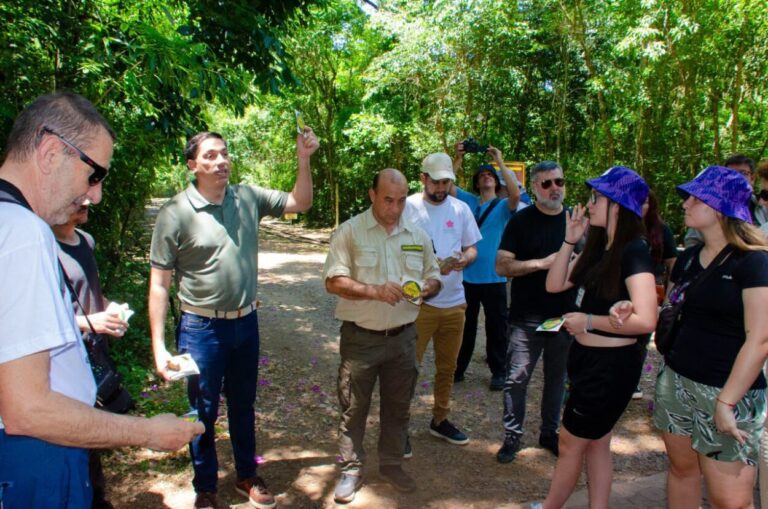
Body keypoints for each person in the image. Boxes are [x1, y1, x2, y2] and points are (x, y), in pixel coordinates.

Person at [0, 92, 203, 509]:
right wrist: (147, 432)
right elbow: (27, 409)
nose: (95, 196)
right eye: (94, 176)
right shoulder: (21, 232)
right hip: (35, 455)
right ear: (52, 152)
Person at [148, 128, 319, 509]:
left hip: (246, 322)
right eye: (210, 156)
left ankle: (246, 475)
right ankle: (205, 486)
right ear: (193, 165)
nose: (221, 161)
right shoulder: (175, 212)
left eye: (224, 153)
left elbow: (301, 202)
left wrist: (303, 158)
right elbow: (159, 284)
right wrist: (159, 346)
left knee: (243, 404)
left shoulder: (247, 197)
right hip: (200, 328)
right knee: (204, 409)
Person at [540, 166, 657, 509]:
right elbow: (554, 284)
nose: (590, 204)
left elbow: (646, 319)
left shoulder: (634, 251)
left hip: (610, 368)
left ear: (618, 204)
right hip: (588, 362)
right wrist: (569, 238)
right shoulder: (598, 246)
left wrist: (589, 321)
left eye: (597, 198)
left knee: (571, 443)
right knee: (597, 442)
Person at [653, 166, 768, 509]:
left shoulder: (754, 263)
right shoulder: (688, 257)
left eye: (694, 197)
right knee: (682, 469)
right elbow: (675, 311)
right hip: (677, 382)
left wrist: (726, 402)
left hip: (727, 391)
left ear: (719, 208)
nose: (685, 203)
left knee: (729, 499)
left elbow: (760, 339)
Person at [324, 169, 441, 503]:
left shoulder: (417, 234)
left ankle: (391, 464)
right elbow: (333, 281)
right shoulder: (349, 232)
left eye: (402, 200)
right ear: (372, 194)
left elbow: (434, 278)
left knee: (398, 407)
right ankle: (349, 470)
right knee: (353, 408)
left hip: (404, 339)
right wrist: (373, 291)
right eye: (388, 199)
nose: (395, 207)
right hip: (361, 339)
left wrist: (426, 288)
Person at [53, 202, 131, 509]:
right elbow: (35, 318)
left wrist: (111, 310)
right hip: (63, 365)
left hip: (94, 360)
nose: (86, 201)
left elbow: (92, 295)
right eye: (77, 197)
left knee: (90, 440)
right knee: (70, 443)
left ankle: (97, 498)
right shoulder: (41, 246)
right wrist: (88, 323)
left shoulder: (85, 241)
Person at [494, 161, 573, 463]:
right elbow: (501, 265)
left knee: (556, 378)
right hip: (526, 317)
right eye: (547, 183)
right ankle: (512, 436)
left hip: (563, 317)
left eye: (559, 181)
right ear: (536, 188)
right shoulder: (521, 221)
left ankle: (549, 433)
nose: (555, 188)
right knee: (516, 379)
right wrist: (541, 263)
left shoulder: (575, 222)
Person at [404, 153, 482, 446]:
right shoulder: (408, 207)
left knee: (447, 367)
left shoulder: (461, 209)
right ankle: (400, 426)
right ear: (423, 178)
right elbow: (394, 246)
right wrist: (425, 260)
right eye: (435, 182)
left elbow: (473, 247)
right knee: (409, 367)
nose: (440, 188)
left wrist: (465, 258)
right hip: (419, 304)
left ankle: (440, 419)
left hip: (454, 302)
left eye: (446, 182)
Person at [451, 142, 521, 390]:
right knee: (465, 327)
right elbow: (448, 186)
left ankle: (498, 372)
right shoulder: (468, 202)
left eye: (490, 175)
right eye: (482, 175)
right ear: (477, 183)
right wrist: (457, 158)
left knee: (497, 329)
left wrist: (499, 161)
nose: (486, 178)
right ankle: (458, 369)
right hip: (468, 277)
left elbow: (515, 195)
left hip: (495, 278)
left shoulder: (503, 206)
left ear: (497, 181)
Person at [631, 190, 678, 400]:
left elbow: (673, 265)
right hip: (623, 291)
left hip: (653, 290)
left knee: (641, 339)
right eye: (637, 202)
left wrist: (669, 299)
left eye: (645, 202)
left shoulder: (661, 230)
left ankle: (632, 383)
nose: (641, 206)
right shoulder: (621, 227)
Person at [684, 154, 767, 247]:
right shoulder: (712, 205)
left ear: (752, 178)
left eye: (743, 173)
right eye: (730, 173)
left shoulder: (762, 206)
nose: (735, 177)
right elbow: (692, 241)